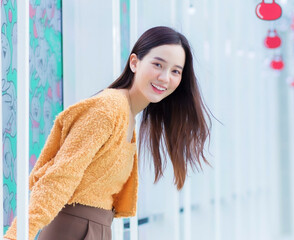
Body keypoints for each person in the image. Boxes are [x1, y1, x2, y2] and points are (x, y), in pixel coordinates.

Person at [4, 26, 211, 240]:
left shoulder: (127, 113)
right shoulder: (108, 110)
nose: (165, 77)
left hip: (94, 229)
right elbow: (60, 176)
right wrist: (17, 236)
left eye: (176, 71)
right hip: (72, 230)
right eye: (158, 64)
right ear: (134, 63)